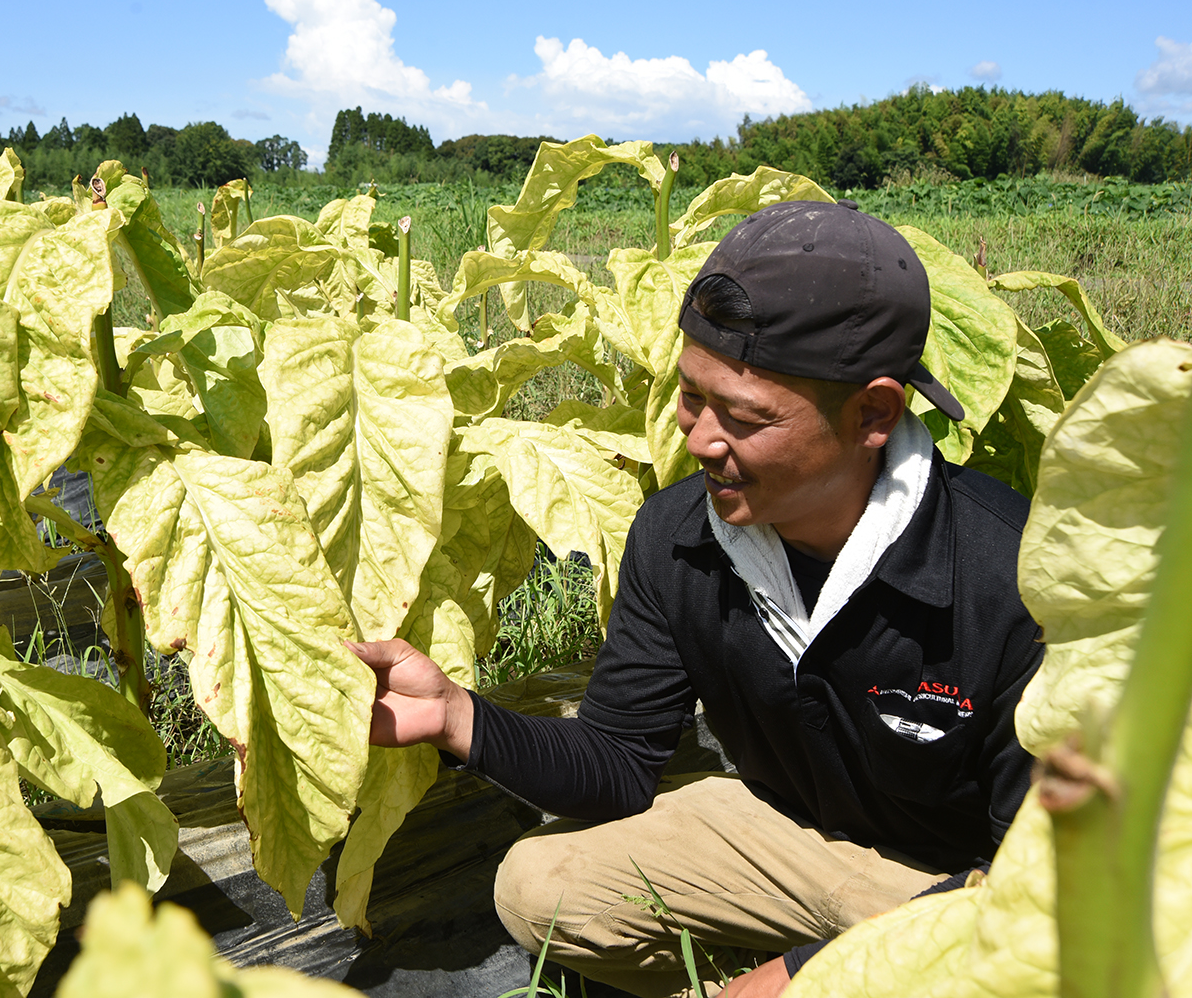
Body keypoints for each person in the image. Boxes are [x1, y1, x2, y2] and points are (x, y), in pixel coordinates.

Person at [348, 200, 1043, 998]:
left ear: (873, 412)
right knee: (540, 884)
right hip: (793, 845)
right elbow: (617, 761)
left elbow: (1047, 879)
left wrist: (804, 974)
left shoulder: (1014, 577)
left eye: (745, 417)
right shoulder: (679, 535)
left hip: (978, 891)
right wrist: (456, 715)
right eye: (690, 395)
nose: (699, 439)